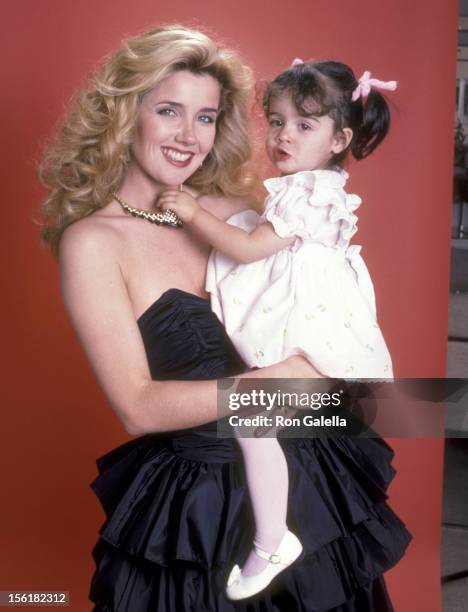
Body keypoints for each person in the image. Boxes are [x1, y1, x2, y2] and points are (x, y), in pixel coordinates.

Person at [40, 25, 412, 612]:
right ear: (124, 114)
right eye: (168, 110)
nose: (189, 136)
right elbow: (137, 406)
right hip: (198, 508)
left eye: (207, 117)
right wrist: (264, 388)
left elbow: (321, 315)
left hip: (309, 489)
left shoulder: (242, 212)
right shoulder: (93, 243)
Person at [158, 59, 401, 601]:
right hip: (321, 346)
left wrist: (191, 212)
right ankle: (274, 538)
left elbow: (246, 248)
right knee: (257, 420)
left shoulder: (305, 193)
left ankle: (272, 541)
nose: (284, 135)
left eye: (305, 125)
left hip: (318, 350)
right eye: (276, 120)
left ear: (340, 138)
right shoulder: (319, 187)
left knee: (249, 420)